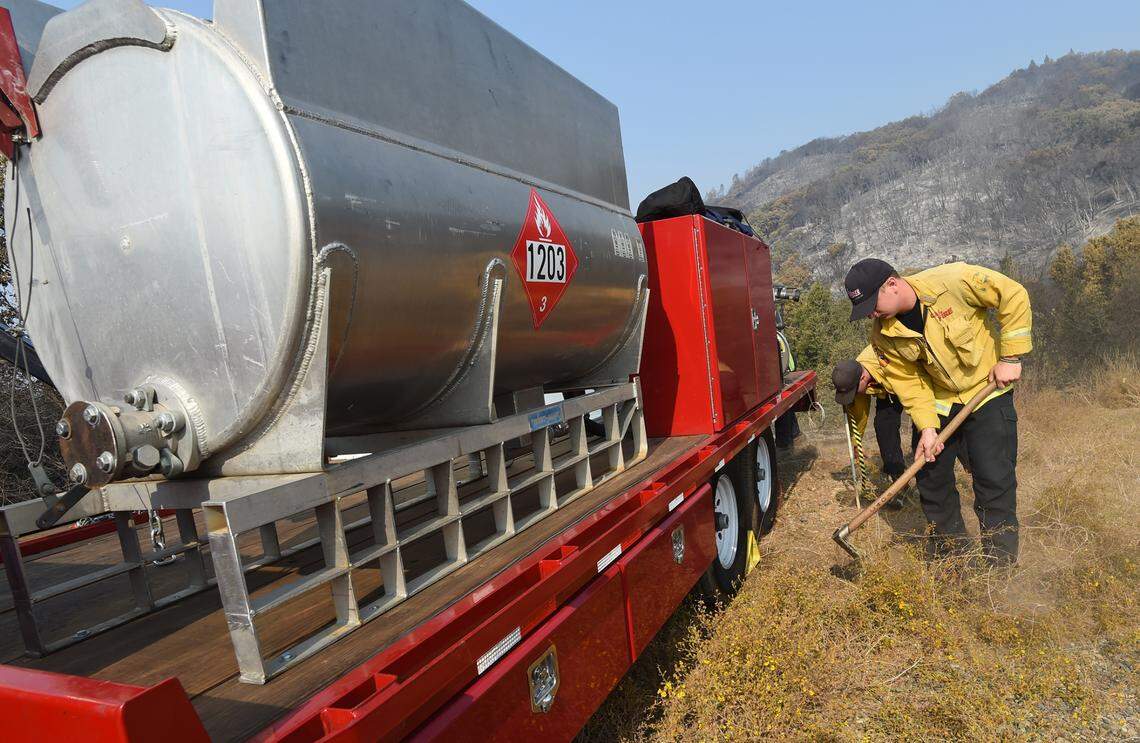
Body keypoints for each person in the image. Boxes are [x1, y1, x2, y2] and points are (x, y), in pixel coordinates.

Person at [843, 258, 1032, 565]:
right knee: (931, 480)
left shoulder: (953, 281)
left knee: (993, 481)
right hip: (941, 404)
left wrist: (1011, 357)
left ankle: (999, 569)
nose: (871, 315)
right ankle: (955, 557)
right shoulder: (882, 335)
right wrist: (928, 429)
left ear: (891, 284)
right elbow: (909, 382)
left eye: (872, 305)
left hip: (986, 393)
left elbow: (1013, 294)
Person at [832, 348, 907, 482]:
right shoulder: (854, 377)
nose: (853, 395)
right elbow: (858, 414)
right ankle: (897, 477)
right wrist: (856, 443)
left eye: (853, 392)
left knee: (923, 430)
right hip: (886, 390)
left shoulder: (888, 362)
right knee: (884, 426)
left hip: (907, 379)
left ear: (863, 378)